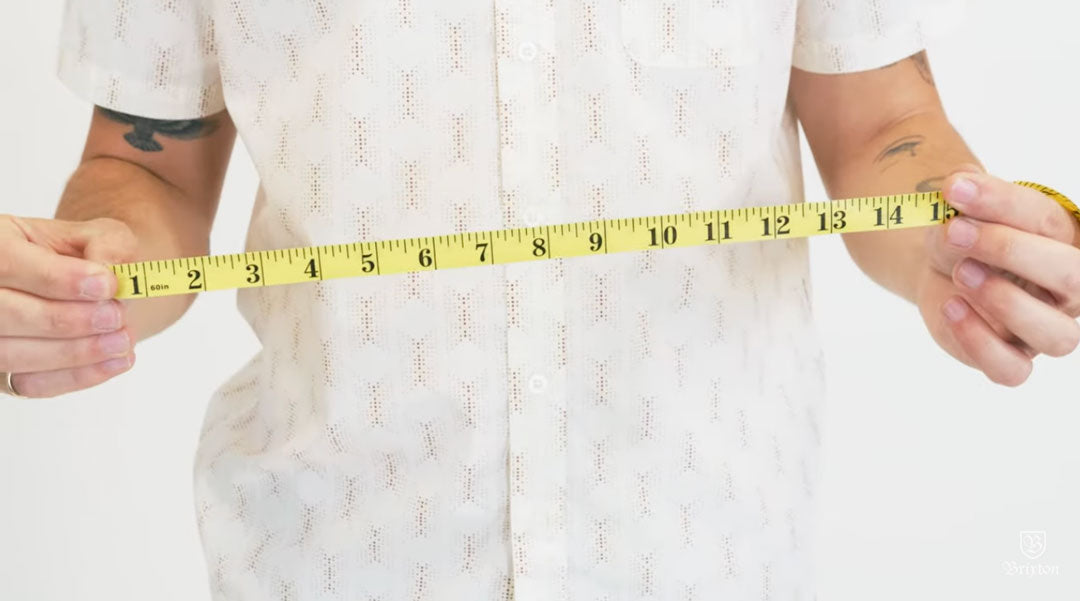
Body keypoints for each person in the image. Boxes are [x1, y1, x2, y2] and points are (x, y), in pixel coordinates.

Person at [2, 0, 1077, 599]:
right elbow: (147, 166)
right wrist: (87, 279)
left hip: (704, 554)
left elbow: (880, 126)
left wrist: (956, 232)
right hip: (330, 554)